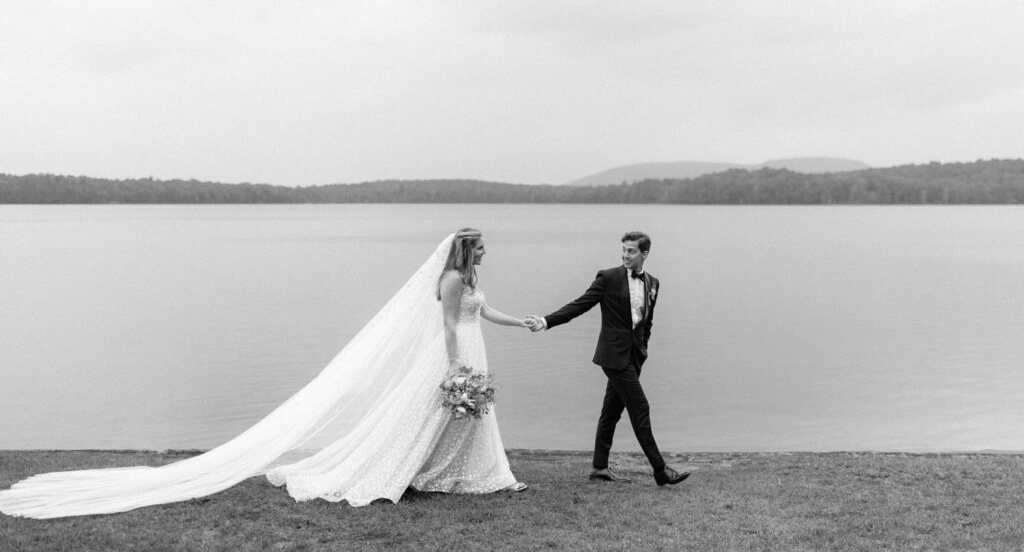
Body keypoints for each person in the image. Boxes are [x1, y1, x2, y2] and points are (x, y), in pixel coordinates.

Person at [0, 229, 528, 519]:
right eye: (481, 247)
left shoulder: (473, 279)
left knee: (471, 418)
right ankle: (429, 472)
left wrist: (526, 321)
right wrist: (457, 364)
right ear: (466, 250)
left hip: (473, 348)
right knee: (435, 415)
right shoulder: (453, 279)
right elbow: (450, 324)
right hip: (458, 354)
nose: (486, 253)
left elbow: (486, 312)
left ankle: (473, 473)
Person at [526, 231, 691, 486]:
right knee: (640, 408)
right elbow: (579, 305)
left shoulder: (653, 283)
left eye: (631, 251)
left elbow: (647, 323)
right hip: (613, 356)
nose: (625, 255)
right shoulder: (608, 277)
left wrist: (642, 351)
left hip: (634, 358)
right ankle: (660, 470)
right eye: (624, 249)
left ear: (644, 254)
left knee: (611, 412)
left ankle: (599, 468)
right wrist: (546, 321)